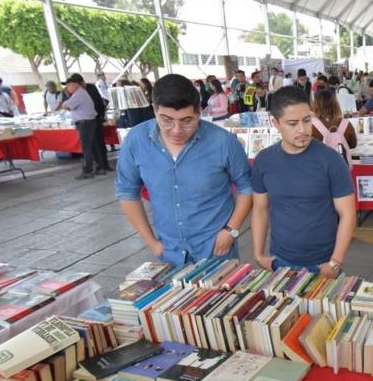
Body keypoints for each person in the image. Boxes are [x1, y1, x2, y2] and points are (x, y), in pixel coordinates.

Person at [115, 74, 253, 266]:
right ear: (154, 110)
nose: (176, 130)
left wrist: (232, 230)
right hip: (168, 253)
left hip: (216, 249)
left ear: (199, 112)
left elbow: (247, 186)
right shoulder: (136, 141)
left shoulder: (223, 142)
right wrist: (152, 243)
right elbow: (127, 192)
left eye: (187, 120)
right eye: (166, 120)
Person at [251, 87, 356, 276]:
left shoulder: (331, 160)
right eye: (292, 123)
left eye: (307, 120)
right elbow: (260, 209)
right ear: (275, 123)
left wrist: (335, 262)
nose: (302, 129)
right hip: (279, 261)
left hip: (324, 262)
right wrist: (259, 255)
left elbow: (348, 213)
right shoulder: (264, 161)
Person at [60, 73, 108, 179]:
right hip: (88, 122)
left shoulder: (79, 94)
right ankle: (100, 167)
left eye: (68, 86)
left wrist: (66, 101)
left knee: (87, 147)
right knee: (93, 146)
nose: (67, 88)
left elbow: (66, 105)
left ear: (74, 84)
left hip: (85, 123)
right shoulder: (81, 93)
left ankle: (88, 170)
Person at [311, 88, 357, 167]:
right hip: (341, 167)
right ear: (336, 104)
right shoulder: (346, 124)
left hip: (318, 167)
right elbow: (353, 144)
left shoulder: (311, 125)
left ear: (315, 104)